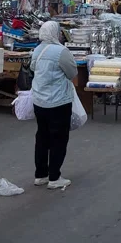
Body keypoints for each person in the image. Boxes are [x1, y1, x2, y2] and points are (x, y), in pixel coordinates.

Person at [30, 21, 77, 189]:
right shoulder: (61, 51)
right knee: (58, 138)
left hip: (39, 101)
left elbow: (33, 68)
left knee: (42, 137)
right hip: (58, 102)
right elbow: (72, 72)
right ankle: (54, 177)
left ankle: (40, 174)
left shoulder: (37, 50)